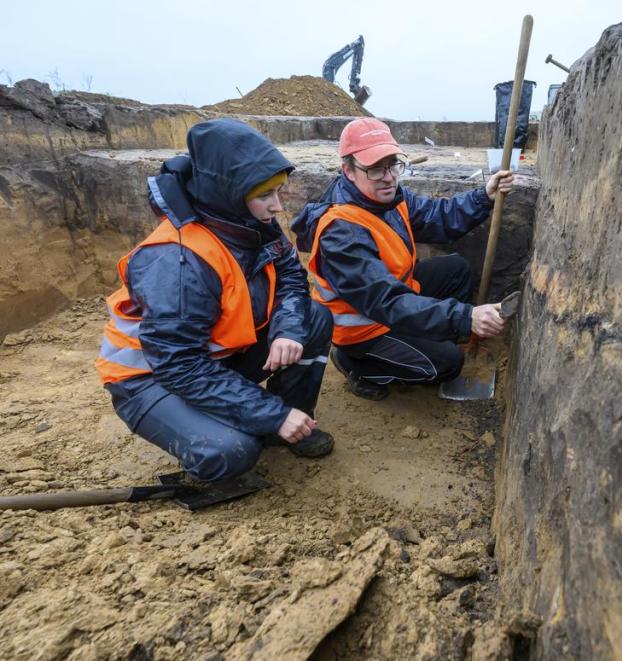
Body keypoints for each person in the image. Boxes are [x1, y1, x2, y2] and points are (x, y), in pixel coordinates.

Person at [95, 118, 334, 482]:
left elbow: (291, 277)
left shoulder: (253, 224)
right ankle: (260, 424)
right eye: (266, 195)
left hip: (210, 359)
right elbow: (178, 365)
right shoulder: (178, 260)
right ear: (231, 192)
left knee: (311, 317)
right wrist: (268, 411)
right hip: (149, 379)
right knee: (231, 452)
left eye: (279, 192)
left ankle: (289, 424)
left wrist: (287, 330)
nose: (277, 207)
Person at [291, 118, 515, 400]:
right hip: (364, 329)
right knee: (447, 364)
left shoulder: (389, 197)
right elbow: (385, 301)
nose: (387, 177)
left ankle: (425, 340)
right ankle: (356, 366)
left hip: (397, 296)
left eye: (392, 165)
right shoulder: (341, 232)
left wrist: (484, 197)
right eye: (374, 169)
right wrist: (464, 317)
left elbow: (437, 216)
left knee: (457, 269)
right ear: (348, 171)